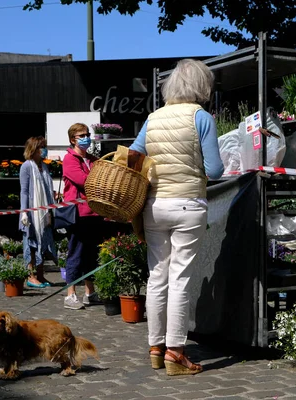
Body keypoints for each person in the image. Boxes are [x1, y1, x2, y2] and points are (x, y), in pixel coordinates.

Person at [129, 59, 224, 376]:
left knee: (157, 277)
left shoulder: (153, 118)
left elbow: (133, 154)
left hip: (155, 206)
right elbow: (214, 170)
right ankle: (175, 352)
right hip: (187, 204)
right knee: (180, 279)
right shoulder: (201, 117)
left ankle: (155, 347)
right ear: (202, 86)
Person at [62, 123, 106, 310]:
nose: (86, 137)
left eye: (88, 134)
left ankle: (90, 293)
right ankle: (70, 295)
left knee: (91, 254)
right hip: (78, 214)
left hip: (94, 213)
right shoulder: (70, 160)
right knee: (76, 253)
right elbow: (85, 181)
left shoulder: (92, 159)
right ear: (73, 139)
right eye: (82, 135)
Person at [19, 136, 57, 288]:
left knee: (44, 242)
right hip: (31, 213)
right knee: (31, 244)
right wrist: (24, 212)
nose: (44, 150)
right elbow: (25, 191)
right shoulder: (26, 166)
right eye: (41, 147)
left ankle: (41, 274)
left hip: (44, 212)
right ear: (33, 149)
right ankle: (31, 276)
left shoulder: (44, 166)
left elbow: (47, 188)